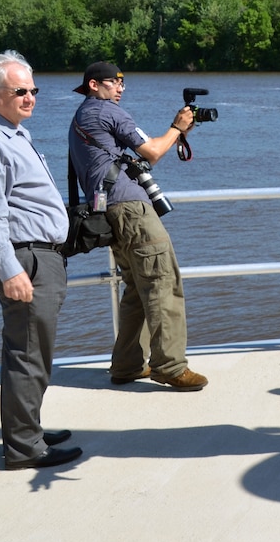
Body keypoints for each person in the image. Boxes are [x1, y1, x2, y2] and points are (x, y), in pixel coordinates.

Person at [0, 50, 82, 470]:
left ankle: (27, 428)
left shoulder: (12, 132)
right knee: (27, 353)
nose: (30, 97)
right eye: (20, 91)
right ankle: (24, 448)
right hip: (24, 260)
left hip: (39, 257)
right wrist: (9, 269)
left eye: (33, 90)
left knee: (35, 352)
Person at [69, 62, 207, 391]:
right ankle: (170, 366)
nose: (120, 88)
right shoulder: (108, 113)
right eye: (113, 83)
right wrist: (177, 126)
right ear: (93, 85)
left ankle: (127, 365)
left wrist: (177, 132)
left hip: (109, 210)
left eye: (123, 83)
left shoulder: (81, 117)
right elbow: (153, 151)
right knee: (162, 281)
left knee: (136, 289)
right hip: (131, 209)